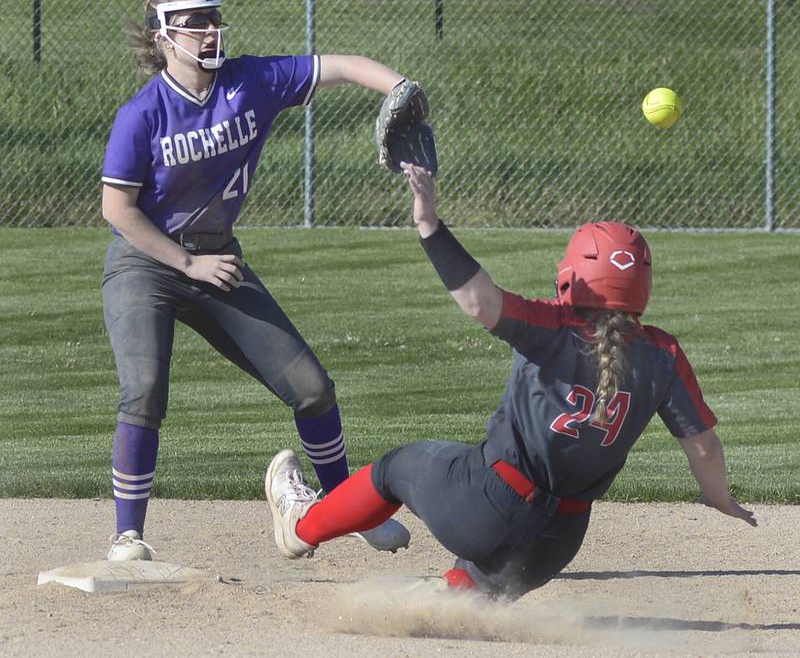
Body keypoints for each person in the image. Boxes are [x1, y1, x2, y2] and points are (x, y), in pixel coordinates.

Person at [264, 163, 757, 600]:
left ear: (572, 276)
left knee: (396, 468)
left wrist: (428, 224)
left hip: (484, 506)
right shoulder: (664, 354)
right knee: (474, 587)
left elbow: (479, 301)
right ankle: (461, 595)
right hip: (556, 545)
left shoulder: (554, 326)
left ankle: (300, 529)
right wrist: (718, 498)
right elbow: (704, 447)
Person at [101, 0, 413, 560]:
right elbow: (117, 210)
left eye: (213, 18)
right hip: (146, 265)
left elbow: (339, 65)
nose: (210, 30)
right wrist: (187, 262)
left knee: (313, 388)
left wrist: (399, 86)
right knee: (143, 391)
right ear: (162, 37)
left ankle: (345, 504)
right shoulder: (142, 114)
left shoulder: (251, 81)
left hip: (216, 257)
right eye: (194, 22)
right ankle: (128, 536)